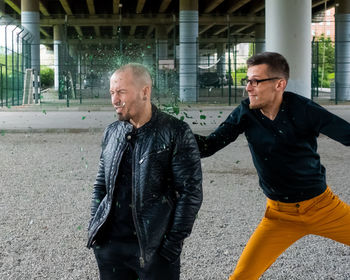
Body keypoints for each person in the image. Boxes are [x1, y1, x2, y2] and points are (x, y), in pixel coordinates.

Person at [195, 52, 350, 279]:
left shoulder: (304, 109)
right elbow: (208, 146)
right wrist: (172, 134)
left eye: (256, 81)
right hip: (279, 216)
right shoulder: (245, 112)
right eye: (247, 81)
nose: (248, 87)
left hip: (323, 208)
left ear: (279, 84)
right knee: (241, 276)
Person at [87, 63, 202, 280]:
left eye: (121, 92)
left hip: (154, 251)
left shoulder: (176, 132)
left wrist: (170, 247)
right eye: (112, 92)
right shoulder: (112, 132)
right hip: (110, 250)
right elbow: (101, 185)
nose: (114, 100)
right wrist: (96, 229)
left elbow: (190, 193)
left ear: (145, 92)